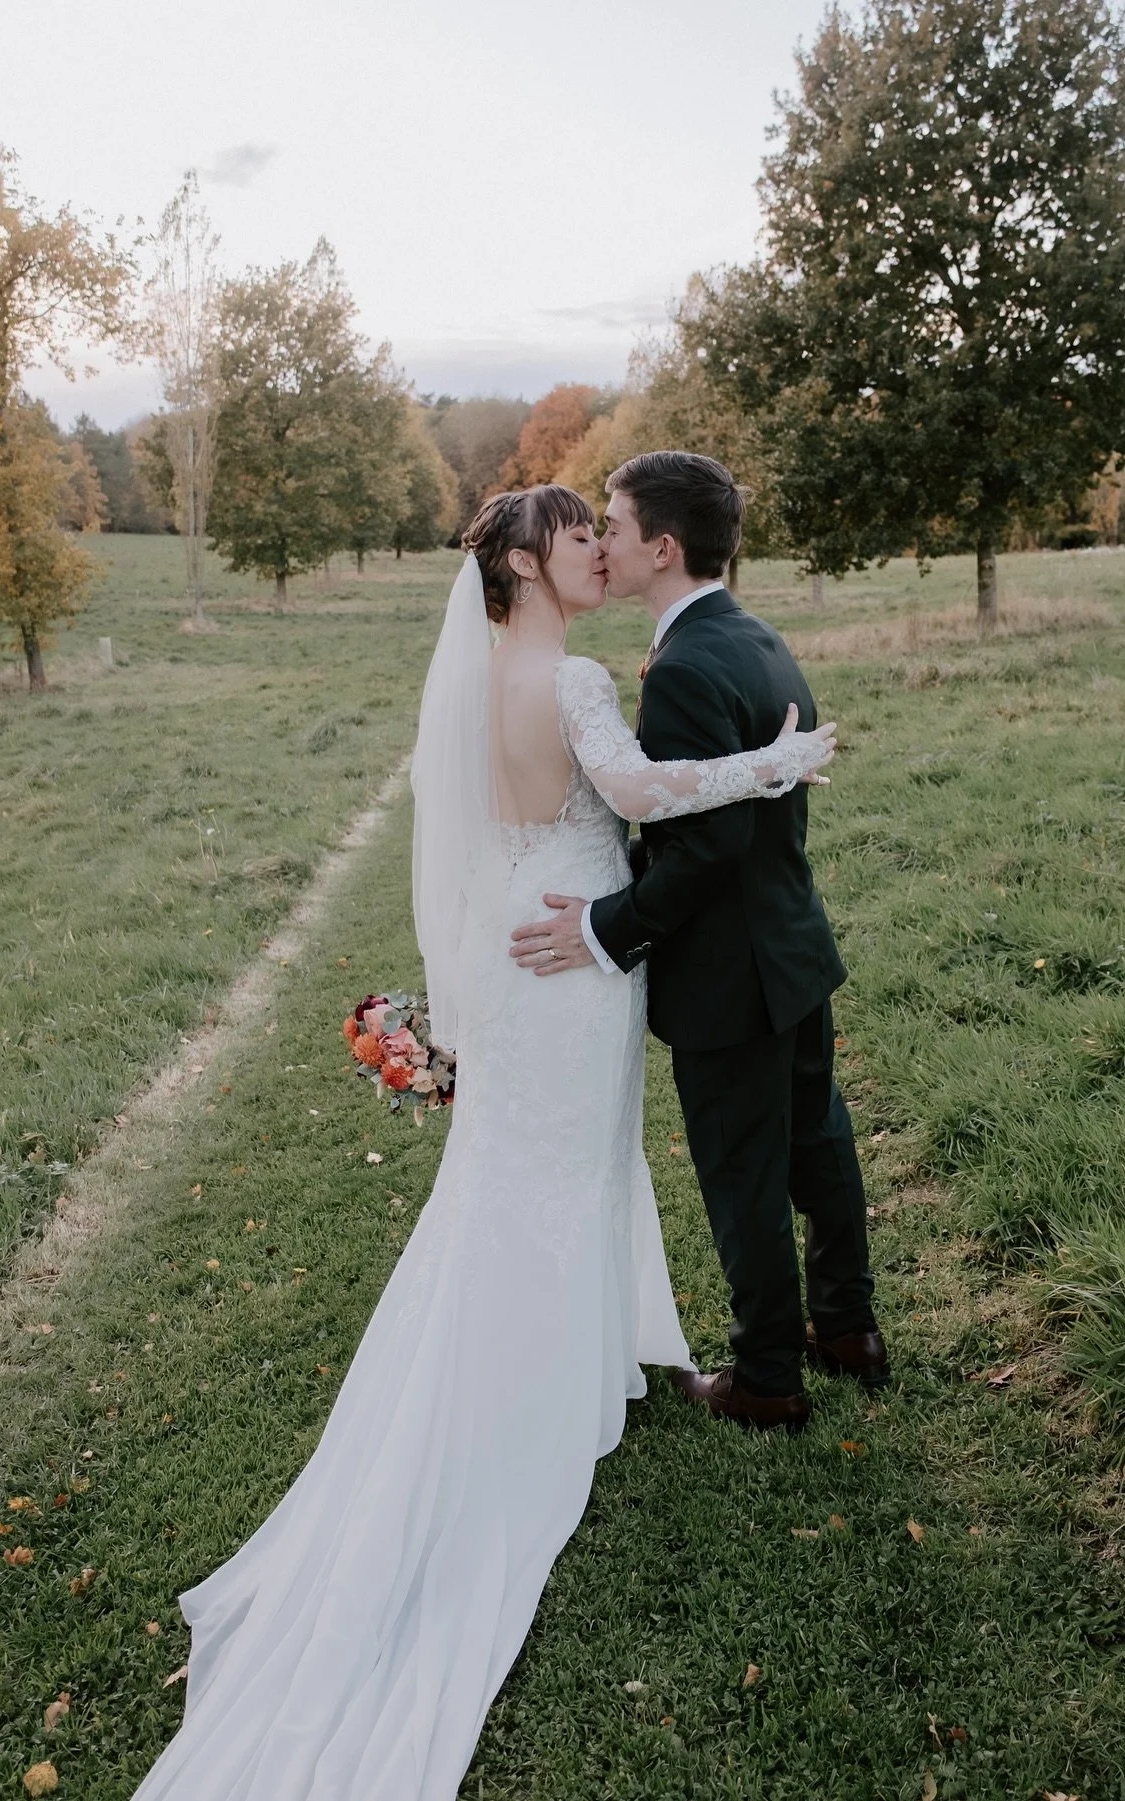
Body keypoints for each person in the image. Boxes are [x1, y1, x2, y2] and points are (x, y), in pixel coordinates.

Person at [131, 483, 836, 1801]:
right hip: (572, 961)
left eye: (599, 529)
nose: (596, 549)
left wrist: (457, 1010)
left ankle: (569, 1368)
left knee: (524, 1179)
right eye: (575, 535)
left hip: (521, 949)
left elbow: (471, 855)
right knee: (563, 1175)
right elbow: (635, 789)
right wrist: (773, 764)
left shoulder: (476, 685)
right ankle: (538, 1401)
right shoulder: (568, 678)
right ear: (521, 562)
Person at [511, 451, 888, 1434]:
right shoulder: (755, 634)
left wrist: (604, 926)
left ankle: (766, 1375)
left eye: (616, 525)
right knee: (819, 1142)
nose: (605, 542)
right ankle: (849, 1327)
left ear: (663, 547)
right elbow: (738, 822)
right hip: (794, 947)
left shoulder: (681, 667)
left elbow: (707, 847)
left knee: (744, 1172)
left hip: (730, 974)